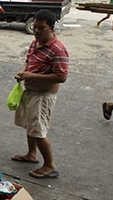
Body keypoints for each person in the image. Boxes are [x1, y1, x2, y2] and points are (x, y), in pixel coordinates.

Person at [11, 9, 69, 179]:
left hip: (44, 96)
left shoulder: (58, 49)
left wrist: (33, 76)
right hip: (31, 91)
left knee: (38, 130)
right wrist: (23, 72)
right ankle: (31, 154)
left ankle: (50, 165)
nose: (36, 31)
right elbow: (29, 61)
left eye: (41, 28)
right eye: (35, 27)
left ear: (51, 28)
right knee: (31, 126)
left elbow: (61, 76)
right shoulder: (35, 43)